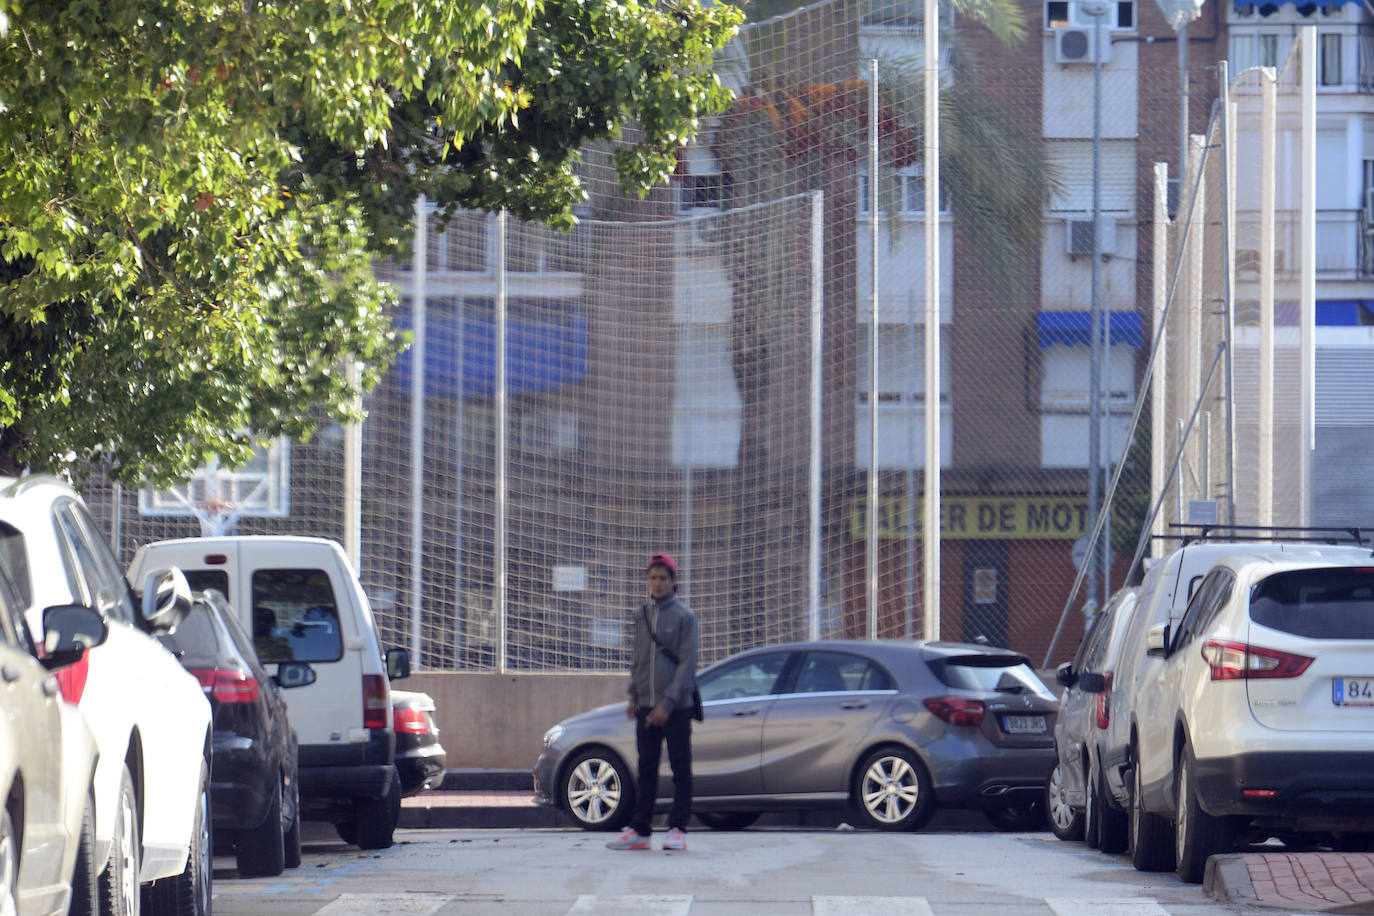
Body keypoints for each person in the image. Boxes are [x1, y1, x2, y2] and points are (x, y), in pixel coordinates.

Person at [607, 553, 699, 852]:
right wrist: (634, 695)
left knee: (680, 768)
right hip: (646, 704)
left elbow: (687, 666)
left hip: (676, 707)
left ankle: (678, 829)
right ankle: (640, 830)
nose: (657, 583)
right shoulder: (641, 614)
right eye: (652, 578)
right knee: (645, 768)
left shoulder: (685, 617)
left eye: (663, 578)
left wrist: (667, 705)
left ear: (674, 582)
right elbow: (638, 659)